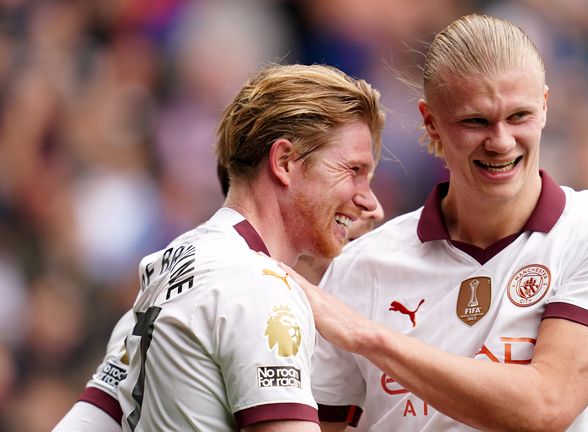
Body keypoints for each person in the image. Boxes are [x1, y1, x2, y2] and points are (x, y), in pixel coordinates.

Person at [282, 14, 588, 431]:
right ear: (431, 121)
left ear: (544, 107)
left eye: (518, 116)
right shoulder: (360, 268)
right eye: (476, 121)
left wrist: (370, 338)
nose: (501, 142)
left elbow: (546, 405)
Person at [53, 63, 385, 431]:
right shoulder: (263, 288)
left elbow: (87, 423)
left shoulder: (168, 263)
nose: (372, 203)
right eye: (353, 170)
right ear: (285, 162)